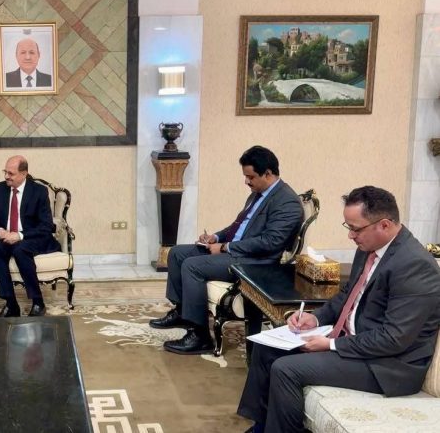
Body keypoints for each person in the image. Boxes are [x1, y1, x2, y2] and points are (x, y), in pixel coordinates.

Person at [237, 186, 440, 433]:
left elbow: (393, 338)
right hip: (355, 342)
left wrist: (332, 344)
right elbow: (347, 295)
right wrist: (316, 318)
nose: (351, 236)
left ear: (384, 225)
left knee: (286, 369)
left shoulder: (415, 266)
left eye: (356, 229)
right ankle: (261, 427)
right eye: (348, 227)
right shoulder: (368, 248)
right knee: (266, 347)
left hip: (387, 366)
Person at [149, 145, 303, 354]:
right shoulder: (258, 193)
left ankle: (200, 336)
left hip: (256, 262)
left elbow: (270, 242)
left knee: (192, 266)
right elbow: (239, 226)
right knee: (177, 253)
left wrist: (224, 247)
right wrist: (217, 237)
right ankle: (182, 312)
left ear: (267, 173)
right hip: (237, 251)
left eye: (250, 177)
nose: (246, 181)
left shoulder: (287, 202)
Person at [0, 155, 60, 317]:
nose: (6, 176)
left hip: (32, 238)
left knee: (20, 249)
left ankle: (38, 302)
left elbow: (46, 225)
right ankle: (11, 304)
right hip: (7, 237)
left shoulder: (38, 191)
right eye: (5, 172)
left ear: (24, 173)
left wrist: (19, 235)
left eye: (11, 173)